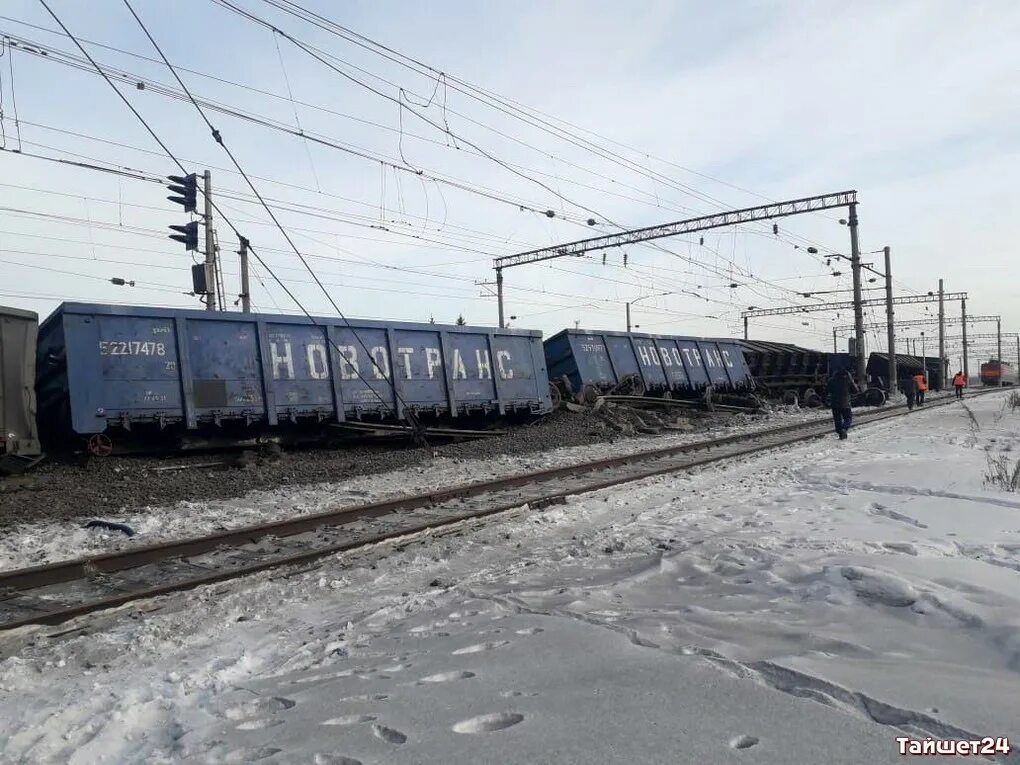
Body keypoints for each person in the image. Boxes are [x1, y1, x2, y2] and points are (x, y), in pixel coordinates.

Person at [826, 368, 858, 440]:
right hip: (846, 403)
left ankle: (840, 432)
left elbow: (826, 391)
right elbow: (855, 390)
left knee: (837, 419)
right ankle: (844, 429)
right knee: (848, 418)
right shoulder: (848, 380)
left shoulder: (831, 380)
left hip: (834, 403)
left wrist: (824, 400)